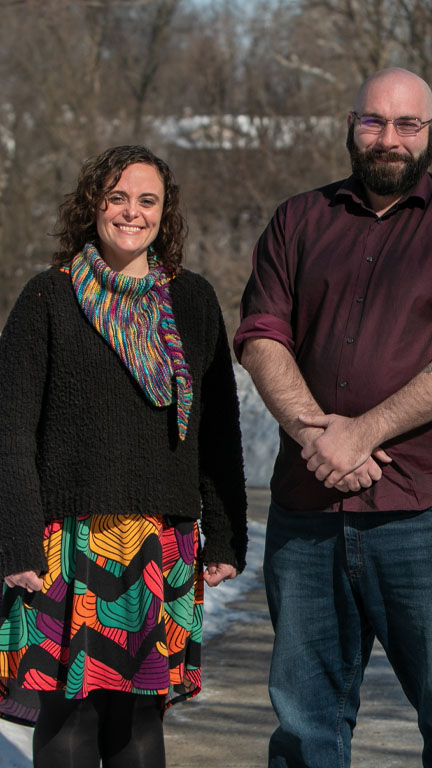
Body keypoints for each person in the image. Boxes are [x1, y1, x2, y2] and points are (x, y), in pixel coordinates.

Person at [235, 67, 432, 766]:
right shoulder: (299, 219)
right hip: (308, 514)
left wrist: (362, 433)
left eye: (406, 124)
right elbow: (262, 332)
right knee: (305, 729)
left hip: (426, 515)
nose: (388, 138)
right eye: (373, 121)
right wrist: (314, 434)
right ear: (351, 126)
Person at [0, 145, 248, 768]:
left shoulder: (192, 301)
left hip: (159, 540)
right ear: (93, 205)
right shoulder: (47, 298)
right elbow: (10, 430)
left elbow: (216, 431)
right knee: (71, 710)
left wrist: (224, 533)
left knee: (140, 715)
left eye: (147, 200)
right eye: (117, 197)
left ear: (166, 213)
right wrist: (15, 539)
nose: (131, 213)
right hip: (68, 542)